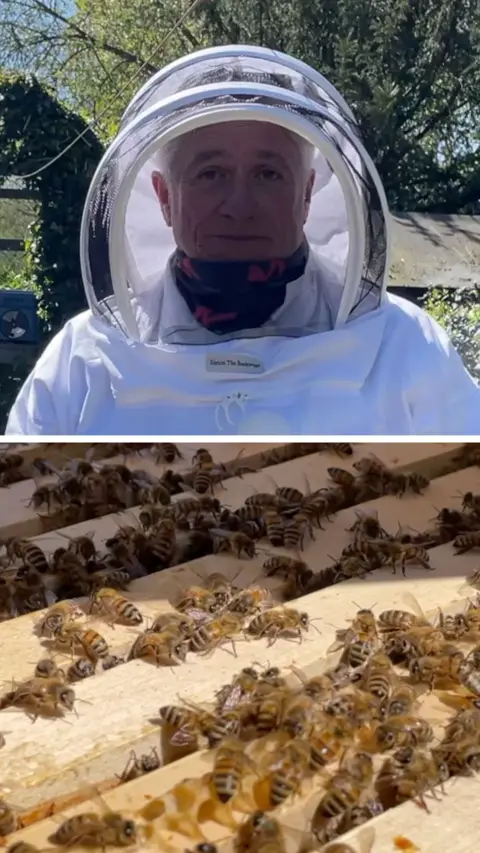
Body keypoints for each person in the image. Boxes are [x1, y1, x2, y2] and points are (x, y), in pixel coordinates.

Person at [5, 45, 480, 436]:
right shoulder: (80, 365)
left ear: (307, 193)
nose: (240, 204)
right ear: (165, 197)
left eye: (268, 174)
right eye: (211, 174)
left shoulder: (405, 349)